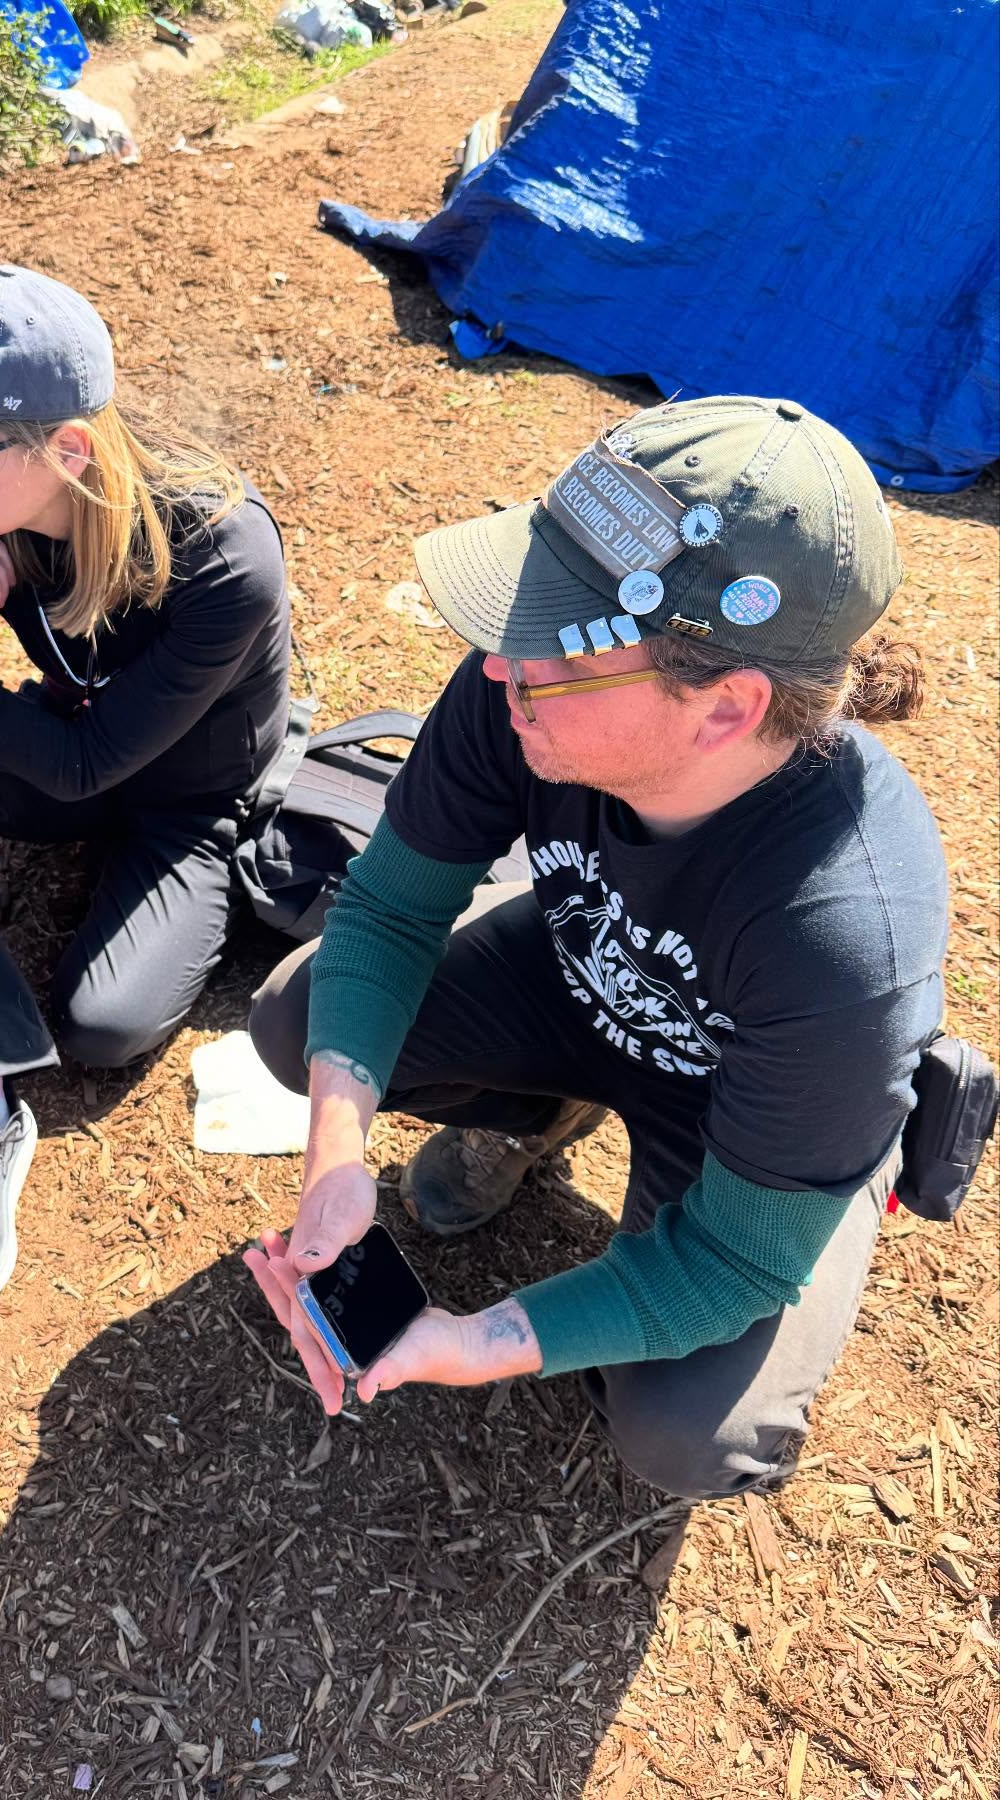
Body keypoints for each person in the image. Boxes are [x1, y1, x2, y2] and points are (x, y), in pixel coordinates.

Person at [246, 395, 946, 1500]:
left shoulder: (848, 931)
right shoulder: (522, 688)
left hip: (746, 1122)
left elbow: (733, 1263)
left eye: (555, 649)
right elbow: (387, 913)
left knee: (687, 1440)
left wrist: (477, 1342)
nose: (499, 664)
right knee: (304, 1019)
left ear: (724, 707)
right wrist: (336, 1157)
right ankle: (545, 1114)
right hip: (583, 978)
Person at [0, 265, 291, 1309]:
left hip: (187, 801)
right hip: (68, 741)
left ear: (66, 451)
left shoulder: (223, 555)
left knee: (105, 1027)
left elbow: (84, 765)